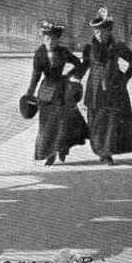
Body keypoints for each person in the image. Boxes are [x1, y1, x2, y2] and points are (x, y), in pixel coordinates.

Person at [72, 8, 132, 166]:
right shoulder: (89, 48)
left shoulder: (118, 47)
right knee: (95, 122)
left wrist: (124, 79)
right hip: (94, 89)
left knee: (111, 122)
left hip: (114, 89)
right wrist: (76, 77)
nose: (99, 35)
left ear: (109, 31)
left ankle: (106, 153)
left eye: (102, 31)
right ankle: (99, 150)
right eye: (96, 32)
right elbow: (85, 65)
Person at [26, 21, 89, 166]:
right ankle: (48, 153)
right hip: (46, 92)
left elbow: (78, 64)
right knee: (46, 124)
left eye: (54, 39)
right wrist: (30, 94)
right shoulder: (39, 54)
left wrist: (71, 76)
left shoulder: (63, 51)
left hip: (62, 91)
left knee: (62, 123)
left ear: (57, 39)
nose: (51, 42)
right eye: (47, 38)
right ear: (43, 38)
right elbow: (35, 76)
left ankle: (60, 149)